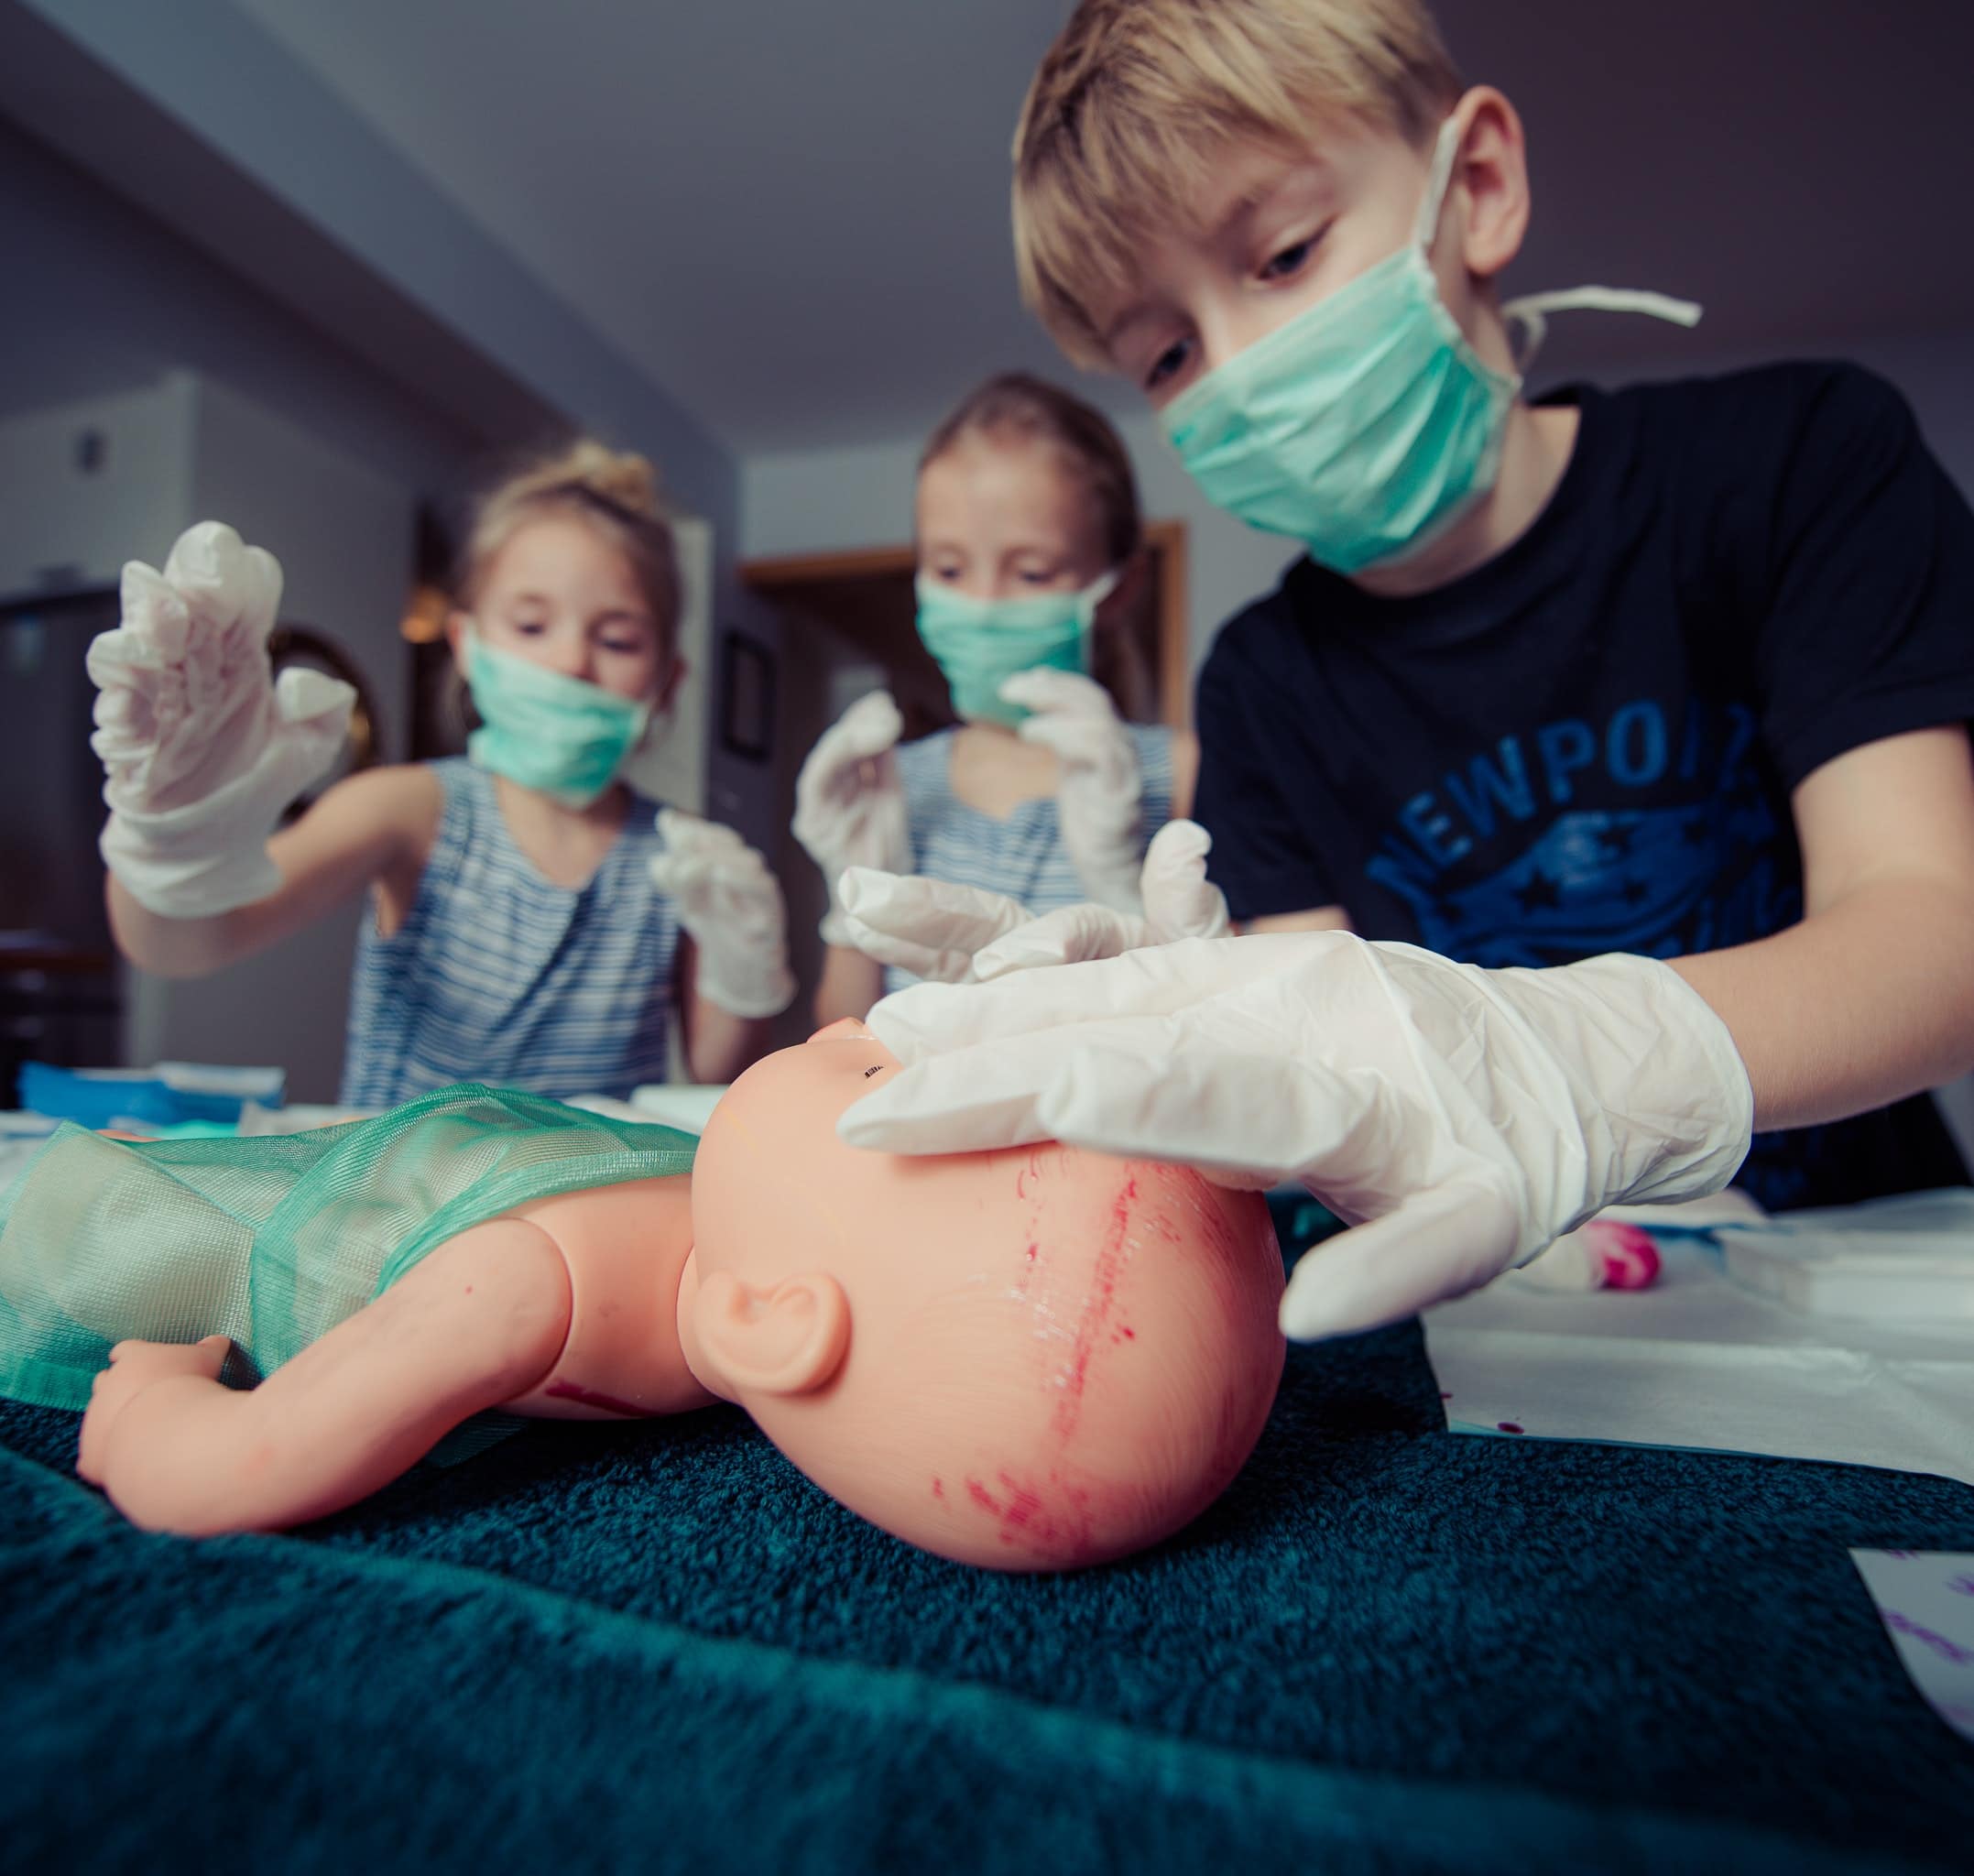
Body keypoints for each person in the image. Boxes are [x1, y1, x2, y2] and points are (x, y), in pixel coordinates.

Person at [834, 0, 1974, 1339]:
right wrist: (1215, 1041)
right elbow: (1333, 1089)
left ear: (1474, 187)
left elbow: (1931, 928)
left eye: (1283, 254)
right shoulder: (1257, 688)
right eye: (1167, 353)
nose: (1239, 371)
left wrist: (1591, 1065)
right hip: (1511, 1309)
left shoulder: (1791, 464)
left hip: (1864, 1272)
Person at [1, 1025, 1285, 1571]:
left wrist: (148, 1406)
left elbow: (235, 1471)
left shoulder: (512, 1294)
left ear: (766, 1319)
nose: (857, 1021)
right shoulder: (752, 1234)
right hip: (408, 1151)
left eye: (875, 1071)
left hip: (204, 1225)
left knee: (68, 1210)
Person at [93, 442, 794, 1106]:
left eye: (616, 639)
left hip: (586, 1215)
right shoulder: (406, 810)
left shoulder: (685, 859)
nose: (573, 662)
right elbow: (185, 946)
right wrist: (175, 829)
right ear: (465, 644)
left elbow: (715, 1076)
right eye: (530, 626)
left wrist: (745, 973)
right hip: (401, 1212)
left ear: (667, 681)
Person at [792, 373, 1198, 1023]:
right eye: (950, 569)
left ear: (1119, 587)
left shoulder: (1174, 771)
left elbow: (1223, 1026)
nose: (981, 605)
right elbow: (841, 1039)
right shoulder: (895, 783)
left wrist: (1119, 886)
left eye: (1031, 571)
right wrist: (850, 905)